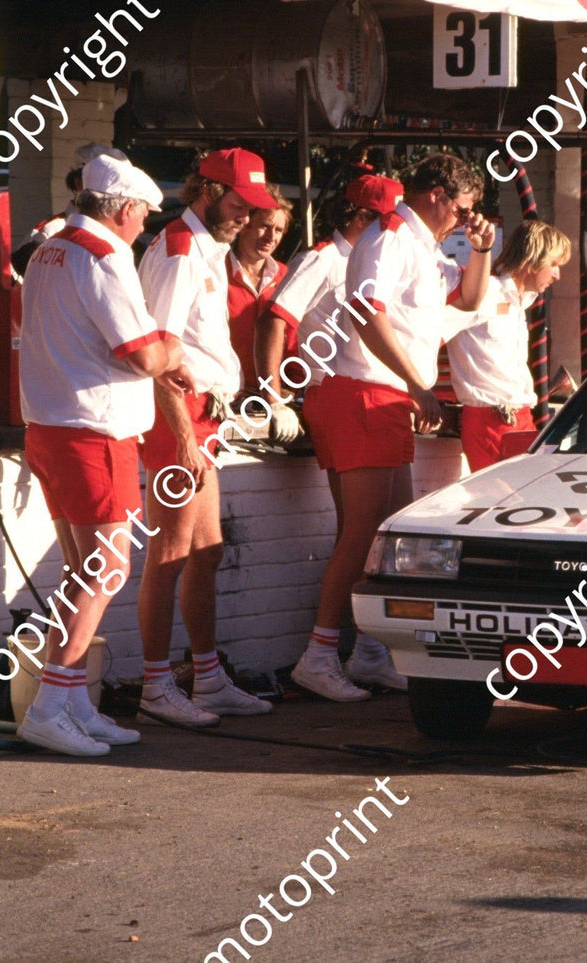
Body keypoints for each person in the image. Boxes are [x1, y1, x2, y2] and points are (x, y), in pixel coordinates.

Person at [293, 153, 495, 701]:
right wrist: (416, 382)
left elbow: (473, 298)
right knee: (363, 533)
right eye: (464, 209)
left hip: (379, 393)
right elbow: (365, 308)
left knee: (383, 535)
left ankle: (368, 650)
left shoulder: (422, 246)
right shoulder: (388, 236)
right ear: (439, 196)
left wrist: (481, 248)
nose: (464, 219)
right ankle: (319, 652)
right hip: (363, 388)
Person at [15, 155, 189, 755]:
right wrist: (173, 346)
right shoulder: (105, 254)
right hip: (94, 431)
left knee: (81, 573)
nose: (142, 227)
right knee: (105, 571)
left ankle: (70, 703)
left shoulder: (51, 246)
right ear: (123, 209)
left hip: (52, 428)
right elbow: (142, 354)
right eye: (142, 214)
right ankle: (50, 705)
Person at [136, 148, 279, 725]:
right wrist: (186, 440)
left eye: (253, 206)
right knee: (169, 554)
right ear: (206, 190)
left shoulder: (202, 248)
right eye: (238, 203)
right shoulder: (177, 251)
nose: (246, 217)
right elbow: (158, 358)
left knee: (206, 551)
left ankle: (206, 677)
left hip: (202, 419)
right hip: (183, 418)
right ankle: (154, 687)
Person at [260, 174, 402, 531]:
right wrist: (273, 398)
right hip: (335, 392)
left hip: (360, 395)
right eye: (387, 222)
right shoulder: (322, 258)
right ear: (360, 219)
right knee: (362, 528)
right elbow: (273, 321)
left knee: (372, 526)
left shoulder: (367, 262)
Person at [447, 220, 571, 472]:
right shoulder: (485, 293)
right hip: (488, 420)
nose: (558, 274)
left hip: (520, 418)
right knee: (498, 503)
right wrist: (419, 389)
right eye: (554, 264)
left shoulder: (520, 301)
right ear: (531, 260)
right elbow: (433, 331)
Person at [12, 142, 128, 277]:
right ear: (79, 183)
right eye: (105, 184)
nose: (116, 195)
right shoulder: (51, 231)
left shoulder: (126, 233)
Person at [227, 186, 292, 391]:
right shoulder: (215, 271)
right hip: (227, 393)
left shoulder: (286, 276)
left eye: (279, 230)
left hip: (276, 395)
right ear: (244, 225)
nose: (271, 237)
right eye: (265, 226)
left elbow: (294, 341)